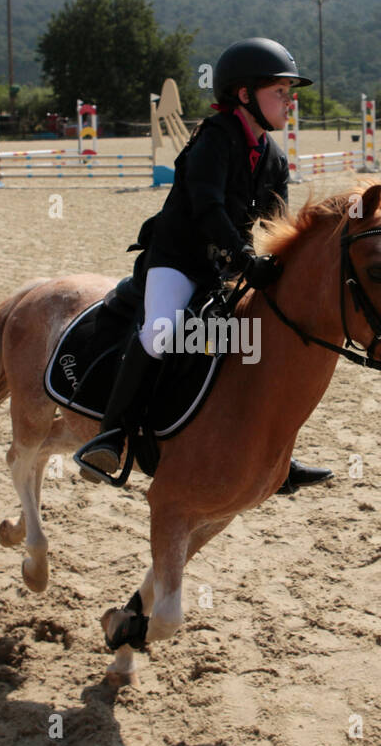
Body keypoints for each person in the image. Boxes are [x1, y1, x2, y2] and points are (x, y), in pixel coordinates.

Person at [76, 37, 333, 495]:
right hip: (178, 260)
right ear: (244, 95)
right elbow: (207, 209)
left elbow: (276, 221)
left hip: (228, 266)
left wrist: (273, 263)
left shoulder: (273, 156)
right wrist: (244, 257)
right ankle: (111, 437)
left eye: (290, 93)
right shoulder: (215, 138)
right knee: (160, 329)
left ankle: (277, 454)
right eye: (280, 92)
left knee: (260, 340)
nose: (290, 101)